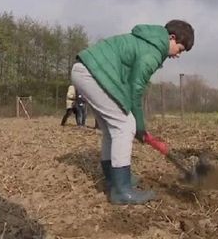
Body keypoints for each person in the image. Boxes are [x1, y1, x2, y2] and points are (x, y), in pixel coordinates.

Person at [72, 20, 194, 205]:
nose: (178, 55)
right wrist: (140, 127)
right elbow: (135, 90)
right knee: (125, 124)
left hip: (85, 70)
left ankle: (114, 179)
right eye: (180, 49)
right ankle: (122, 191)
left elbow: (129, 86)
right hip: (92, 73)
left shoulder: (147, 42)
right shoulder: (152, 52)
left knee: (112, 128)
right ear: (172, 38)